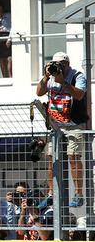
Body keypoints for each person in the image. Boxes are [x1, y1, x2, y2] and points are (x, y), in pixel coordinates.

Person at [36, 51, 88, 208]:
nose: (56, 68)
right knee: (52, 160)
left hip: (74, 124)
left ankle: (78, 193)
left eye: (59, 65)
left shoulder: (76, 75)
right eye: (53, 64)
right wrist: (46, 76)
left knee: (73, 157)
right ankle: (51, 193)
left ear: (67, 65)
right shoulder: (50, 78)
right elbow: (39, 92)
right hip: (56, 125)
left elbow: (79, 95)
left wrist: (63, 82)